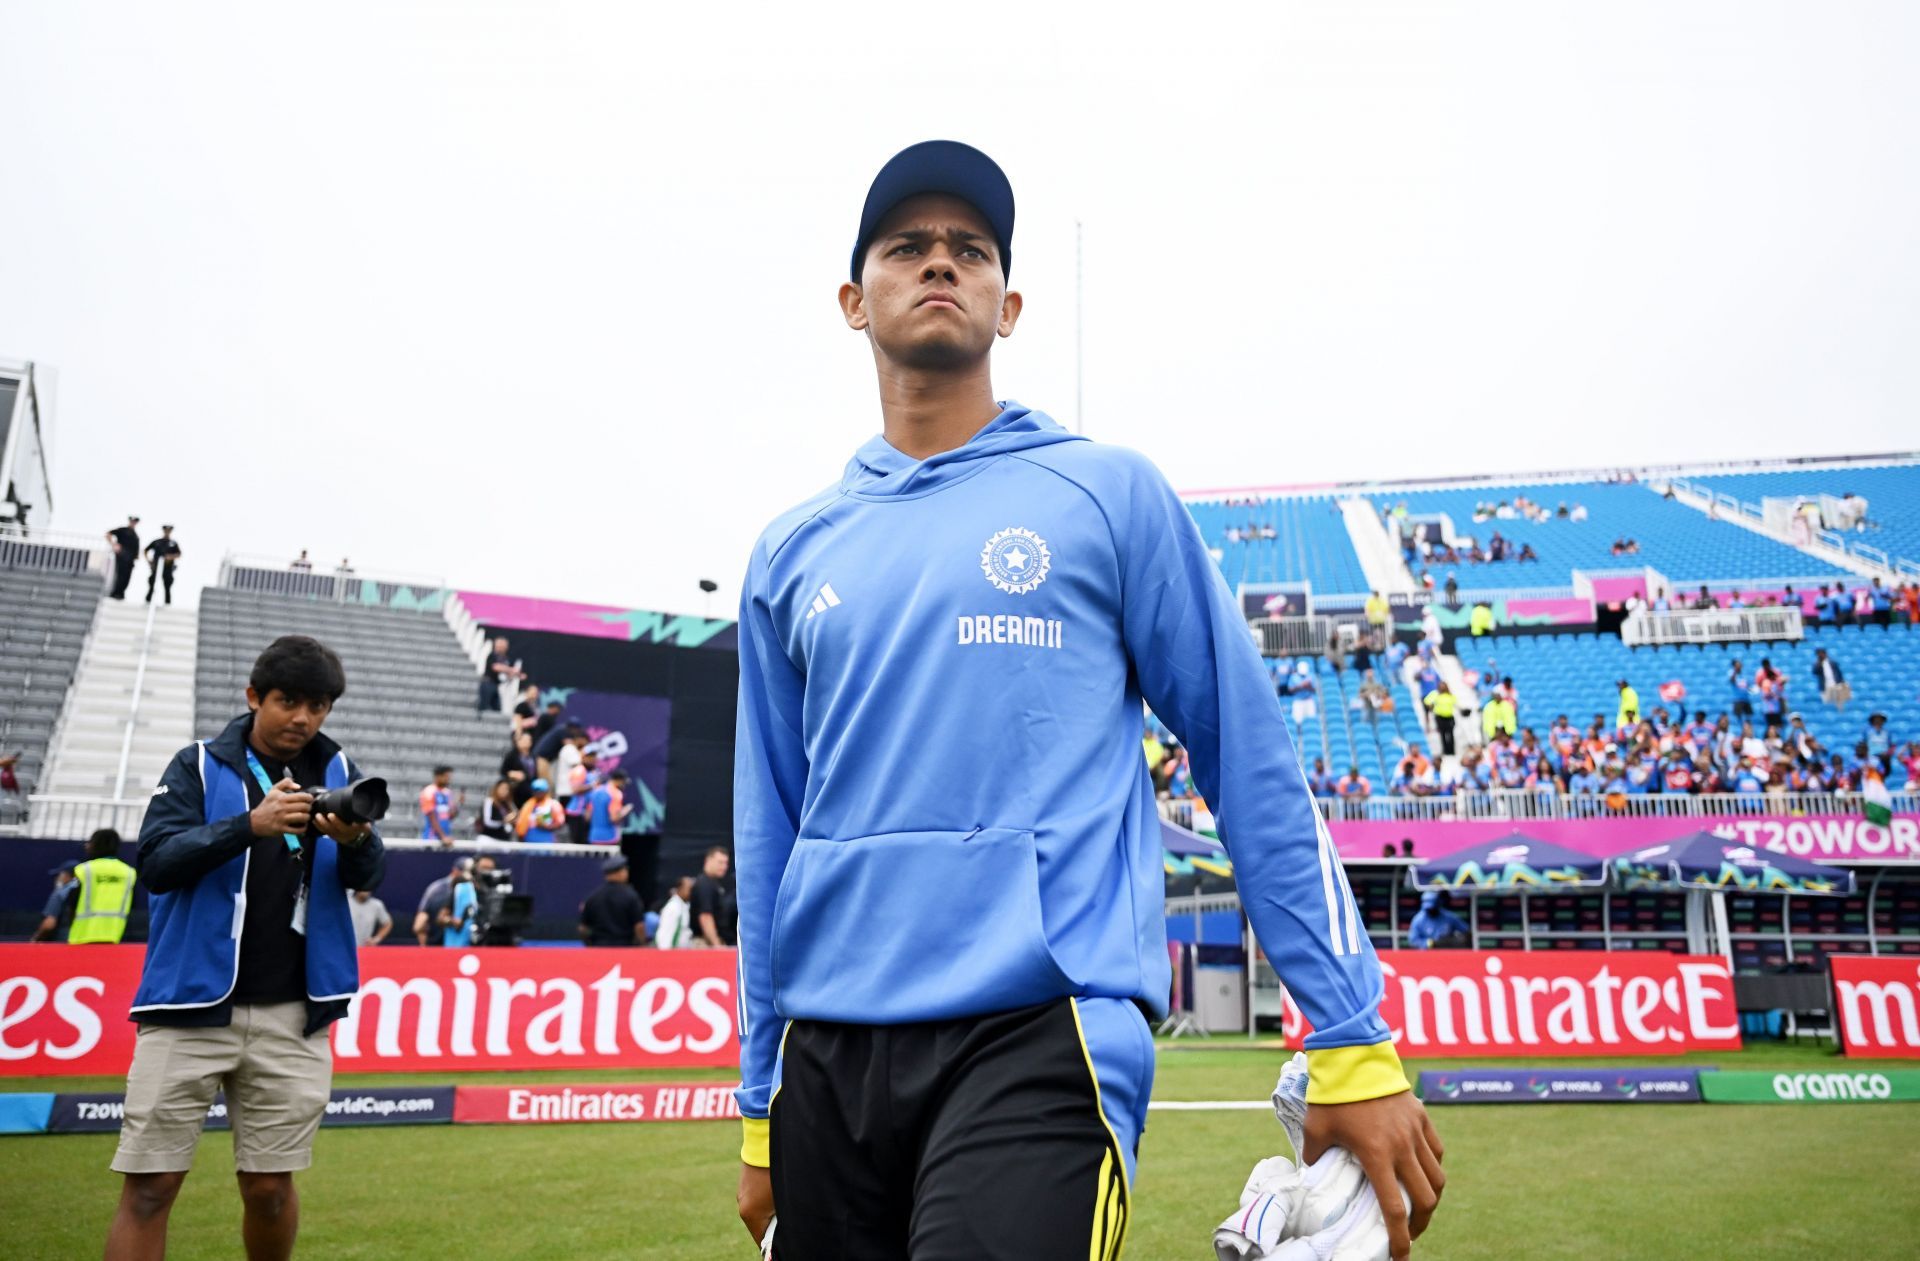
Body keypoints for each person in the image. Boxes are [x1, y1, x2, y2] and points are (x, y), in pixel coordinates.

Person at [730, 142, 1438, 1261]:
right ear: (852, 298)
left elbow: (1246, 758)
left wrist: (1349, 1034)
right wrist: (761, 1093)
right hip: (828, 1051)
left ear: (1007, 306)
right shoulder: (789, 550)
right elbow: (770, 832)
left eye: (969, 250)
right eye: (907, 246)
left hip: (1041, 1028)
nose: (940, 265)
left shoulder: (1107, 494)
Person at [104, 635, 384, 1261]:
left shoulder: (340, 772)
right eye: (288, 701)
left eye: (318, 706)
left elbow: (368, 878)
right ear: (254, 696)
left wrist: (359, 839)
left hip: (295, 1011)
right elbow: (155, 863)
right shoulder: (198, 765)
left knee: (270, 1190)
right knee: (150, 1188)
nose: (303, 719)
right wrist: (249, 826)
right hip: (190, 1007)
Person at [66, 828, 138, 944]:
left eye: (90, 842)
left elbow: (72, 903)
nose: (86, 846)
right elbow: (133, 904)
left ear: (96, 844)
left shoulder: (84, 870)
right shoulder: (129, 872)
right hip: (115, 938)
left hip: (81, 938)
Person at [579, 855, 648, 947]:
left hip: (599, 948)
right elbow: (639, 926)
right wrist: (642, 944)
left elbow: (583, 929)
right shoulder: (631, 896)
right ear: (620, 873)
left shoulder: (593, 897)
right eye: (625, 870)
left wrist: (590, 944)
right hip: (624, 948)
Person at [413, 858, 467, 946]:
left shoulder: (435, 888)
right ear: (455, 870)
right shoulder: (439, 889)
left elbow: (419, 925)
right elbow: (420, 924)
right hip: (450, 943)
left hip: (443, 945)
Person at [691, 845, 736, 947]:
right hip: (705, 943)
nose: (724, 867)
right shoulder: (704, 884)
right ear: (708, 860)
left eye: (726, 863)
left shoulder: (712, 884)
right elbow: (705, 916)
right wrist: (716, 945)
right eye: (720, 862)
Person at [32, 859, 80, 942]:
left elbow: (49, 924)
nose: (57, 878)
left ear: (66, 875)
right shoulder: (87, 892)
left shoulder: (60, 893)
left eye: (59, 875)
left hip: (62, 941)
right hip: (82, 939)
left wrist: (36, 938)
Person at [477, 636, 522, 714]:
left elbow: (509, 673)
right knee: (484, 706)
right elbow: (496, 667)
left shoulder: (506, 659)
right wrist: (511, 670)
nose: (501, 648)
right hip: (488, 683)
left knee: (497, 708)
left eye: (503, 646)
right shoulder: (492, 655)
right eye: (499, 645)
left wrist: (517, 674)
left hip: (497, 685)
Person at [585, 770, 629, 844]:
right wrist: (625, 810)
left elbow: (587, 817)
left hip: (594, 837)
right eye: (623, 782)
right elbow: (614, 818)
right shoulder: (616, 794)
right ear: (618, 780)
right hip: (610, 837)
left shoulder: (595, 792)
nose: (624, 785)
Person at [516, 779, 566, 844]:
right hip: (529, 840)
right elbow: (521, 823)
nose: (538, 793)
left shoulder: (553, 804)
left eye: (540, 790)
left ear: (546, 791)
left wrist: (547, 827)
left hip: (547, 839)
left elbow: (560, 823)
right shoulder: (527, 805)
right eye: (536, 790)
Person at [143, 525, 182, 605]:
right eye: (166, 530)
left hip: (168, 567)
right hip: (156, 566)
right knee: (152, 582)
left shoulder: (173, 543)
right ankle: (148, 600)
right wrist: (149, 561)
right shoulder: (157, 542)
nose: (167, 532)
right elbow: (145, 550)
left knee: (167, 585)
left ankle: (167, 602)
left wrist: (170, 557)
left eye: (169, 531)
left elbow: (179, 554)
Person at [417, 767, 459, 843]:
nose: (448, 779)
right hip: (431, 837)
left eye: (449, 777)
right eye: (446, 777)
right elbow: (432, 817)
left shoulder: (448, 793)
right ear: (438, 776)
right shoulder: (429, 791)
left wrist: (457, 804)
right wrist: (443, 837)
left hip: (446, 836)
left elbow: (450, 817)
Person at [655, 876, 696, 949]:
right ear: (680, 889)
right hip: (673, 953)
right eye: (689, 889)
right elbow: (665, 934)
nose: (691, 892)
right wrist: (665, 955)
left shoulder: (684, 905)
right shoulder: (673, 907)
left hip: (683, 952)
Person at [440, 864, 476, 947]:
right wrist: (452, 921)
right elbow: (441, 918)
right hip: (456, 943)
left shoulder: (476, 896)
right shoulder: (454, 895)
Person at [106, 514, 140, 600]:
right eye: (132, 521)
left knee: (127, 577)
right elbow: (108, 534)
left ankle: (121, 593)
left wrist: (136, 556)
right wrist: (114, 545)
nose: (133, 523)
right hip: (122, 556)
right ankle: (115, 593)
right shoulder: (123, 530)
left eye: (135, 522)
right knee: (120, 575)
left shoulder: (135, 535)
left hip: (130, 559)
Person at [1424, 683, 1458, 756]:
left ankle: (1451, 750)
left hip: (1449, 717)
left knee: (1451, 734)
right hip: (1440, 717)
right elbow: (1426, 701)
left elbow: (1456, 703)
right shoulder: (1435, 694)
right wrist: (1431, 706)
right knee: (1442, 734)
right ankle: (1445, 751)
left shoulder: (1450, 695)